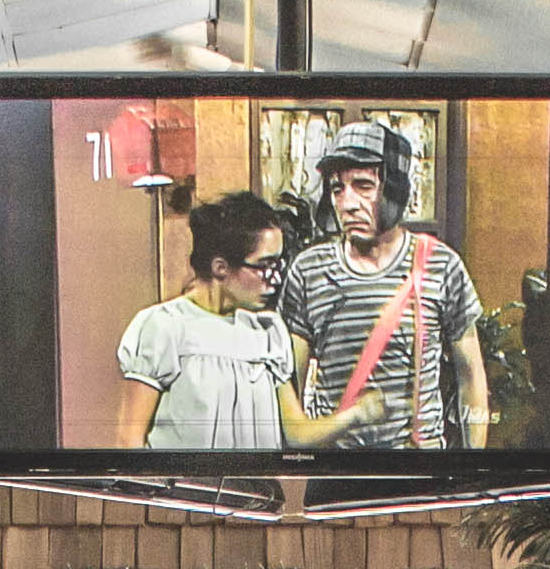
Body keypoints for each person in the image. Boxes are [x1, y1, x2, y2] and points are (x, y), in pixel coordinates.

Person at [273, 118, 487, 451]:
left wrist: (474, 464)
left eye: (363, 185)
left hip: (417, 467)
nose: (347, 204)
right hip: (338, 468)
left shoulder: (441, 265)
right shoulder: (309, 270)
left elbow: (471, 379)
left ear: (393, 191)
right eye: (337, 189)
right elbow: (291, 389)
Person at [111, 195, 364, 451]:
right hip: (188, 478)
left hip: (257, 478)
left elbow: (296, 433)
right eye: (264, 266)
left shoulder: (268, 332)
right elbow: (129, 441)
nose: (275, 279)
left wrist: (356, 414)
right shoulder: (165, 327)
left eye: (278, 265)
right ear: (220, 268)